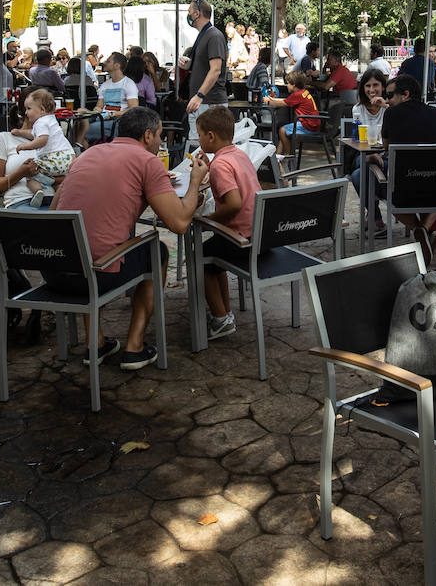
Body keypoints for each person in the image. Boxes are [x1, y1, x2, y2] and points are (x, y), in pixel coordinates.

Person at [53, 107, 208, 371]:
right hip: (95, 276)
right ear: (148, 135)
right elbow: (179, 223)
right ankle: (134, 347)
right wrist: (195, 181)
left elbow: (56, 210)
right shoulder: (147, 162)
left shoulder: (87, 154)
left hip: (55, 269)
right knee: (156, 249)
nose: (161, 142)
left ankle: (96, 342)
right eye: (159, 136)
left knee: (89, 241)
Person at [195, 107, 261, 340]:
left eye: (199, 135)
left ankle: (221, 319)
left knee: (200, 257)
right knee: (213, 257)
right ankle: (224, 312)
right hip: (259, 233)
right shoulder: (238, 155)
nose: (198, 139)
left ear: (211, 136)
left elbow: (233, 203)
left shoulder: (221, 165)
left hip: (241, 238)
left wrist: (206, 220)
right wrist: (210, 165)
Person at [380, 76, 436, 258]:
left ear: (405, 94)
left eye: (390, 95)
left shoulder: (391, 113)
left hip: (404, 192)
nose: (388, 100)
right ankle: (426, 231)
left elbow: (386, 147)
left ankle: (417, 229)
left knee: (381, 186)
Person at [11, 88, 75, 201]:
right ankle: (59, 196)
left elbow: (42, 140)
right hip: (66, 159)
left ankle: (38, 191)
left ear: (41, 109)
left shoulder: (40, 122)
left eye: (29, 109)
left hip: (52, 159)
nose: (26, 112)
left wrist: (25, 146)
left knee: (30, 175)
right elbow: (34, 134)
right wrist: (20, 132)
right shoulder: (51, 120)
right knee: (53, 179)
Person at [349, 69, 391, 236]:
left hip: (387, 157)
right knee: (362, 163)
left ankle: (375, 218)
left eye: (376, 85)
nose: (372, 90)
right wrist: (369, 154)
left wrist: (386, 106)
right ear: (362, 88)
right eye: (368, 85)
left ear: (383, 87)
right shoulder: (357, 109)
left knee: (358, 175)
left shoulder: (390, 108)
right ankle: (376, 219)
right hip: (364, 155)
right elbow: (357, 138)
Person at [184, 0, 227, 140]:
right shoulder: (204, 35)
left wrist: (199, 95)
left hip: (209, 102)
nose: (188, 15)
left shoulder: (214, 36)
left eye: (190, 12)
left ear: (197, 14)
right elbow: (205, 67)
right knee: (199, 145)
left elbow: (215, 70)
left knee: (206, 145)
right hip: (203, 102)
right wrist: (187, 65)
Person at [265, 71, 321, 156]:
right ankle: (277, 159)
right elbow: (286, 100)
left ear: (294, 84)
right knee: (284, 135)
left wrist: (268, 102)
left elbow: (282, 103)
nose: (287, 85)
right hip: (314, 124)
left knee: (282, 130)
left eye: (288, 83)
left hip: (308, 126)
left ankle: (290, 157)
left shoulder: (297, 95)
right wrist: (273, 99)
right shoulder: (303, 92)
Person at [397, 38, 436, 103]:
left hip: (408, 98)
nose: (433, 53)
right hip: (427, 99)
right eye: (431, 51)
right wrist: (435, 58)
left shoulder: (406, 63)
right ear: (427, 49)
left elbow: (399, 79)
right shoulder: (430, 63)